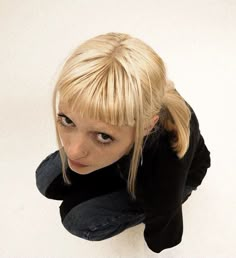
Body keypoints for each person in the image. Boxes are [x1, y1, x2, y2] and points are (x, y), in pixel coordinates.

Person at [35, 32, 211, 253]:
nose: (74, 150)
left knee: (78, 218)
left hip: (169, 180)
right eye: (67, 121)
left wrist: (159, 241)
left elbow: (166, 228)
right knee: (45, 179)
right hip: (128, 153)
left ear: (146, 127)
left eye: (103, 136)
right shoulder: (136, 103)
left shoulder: (164, 168)